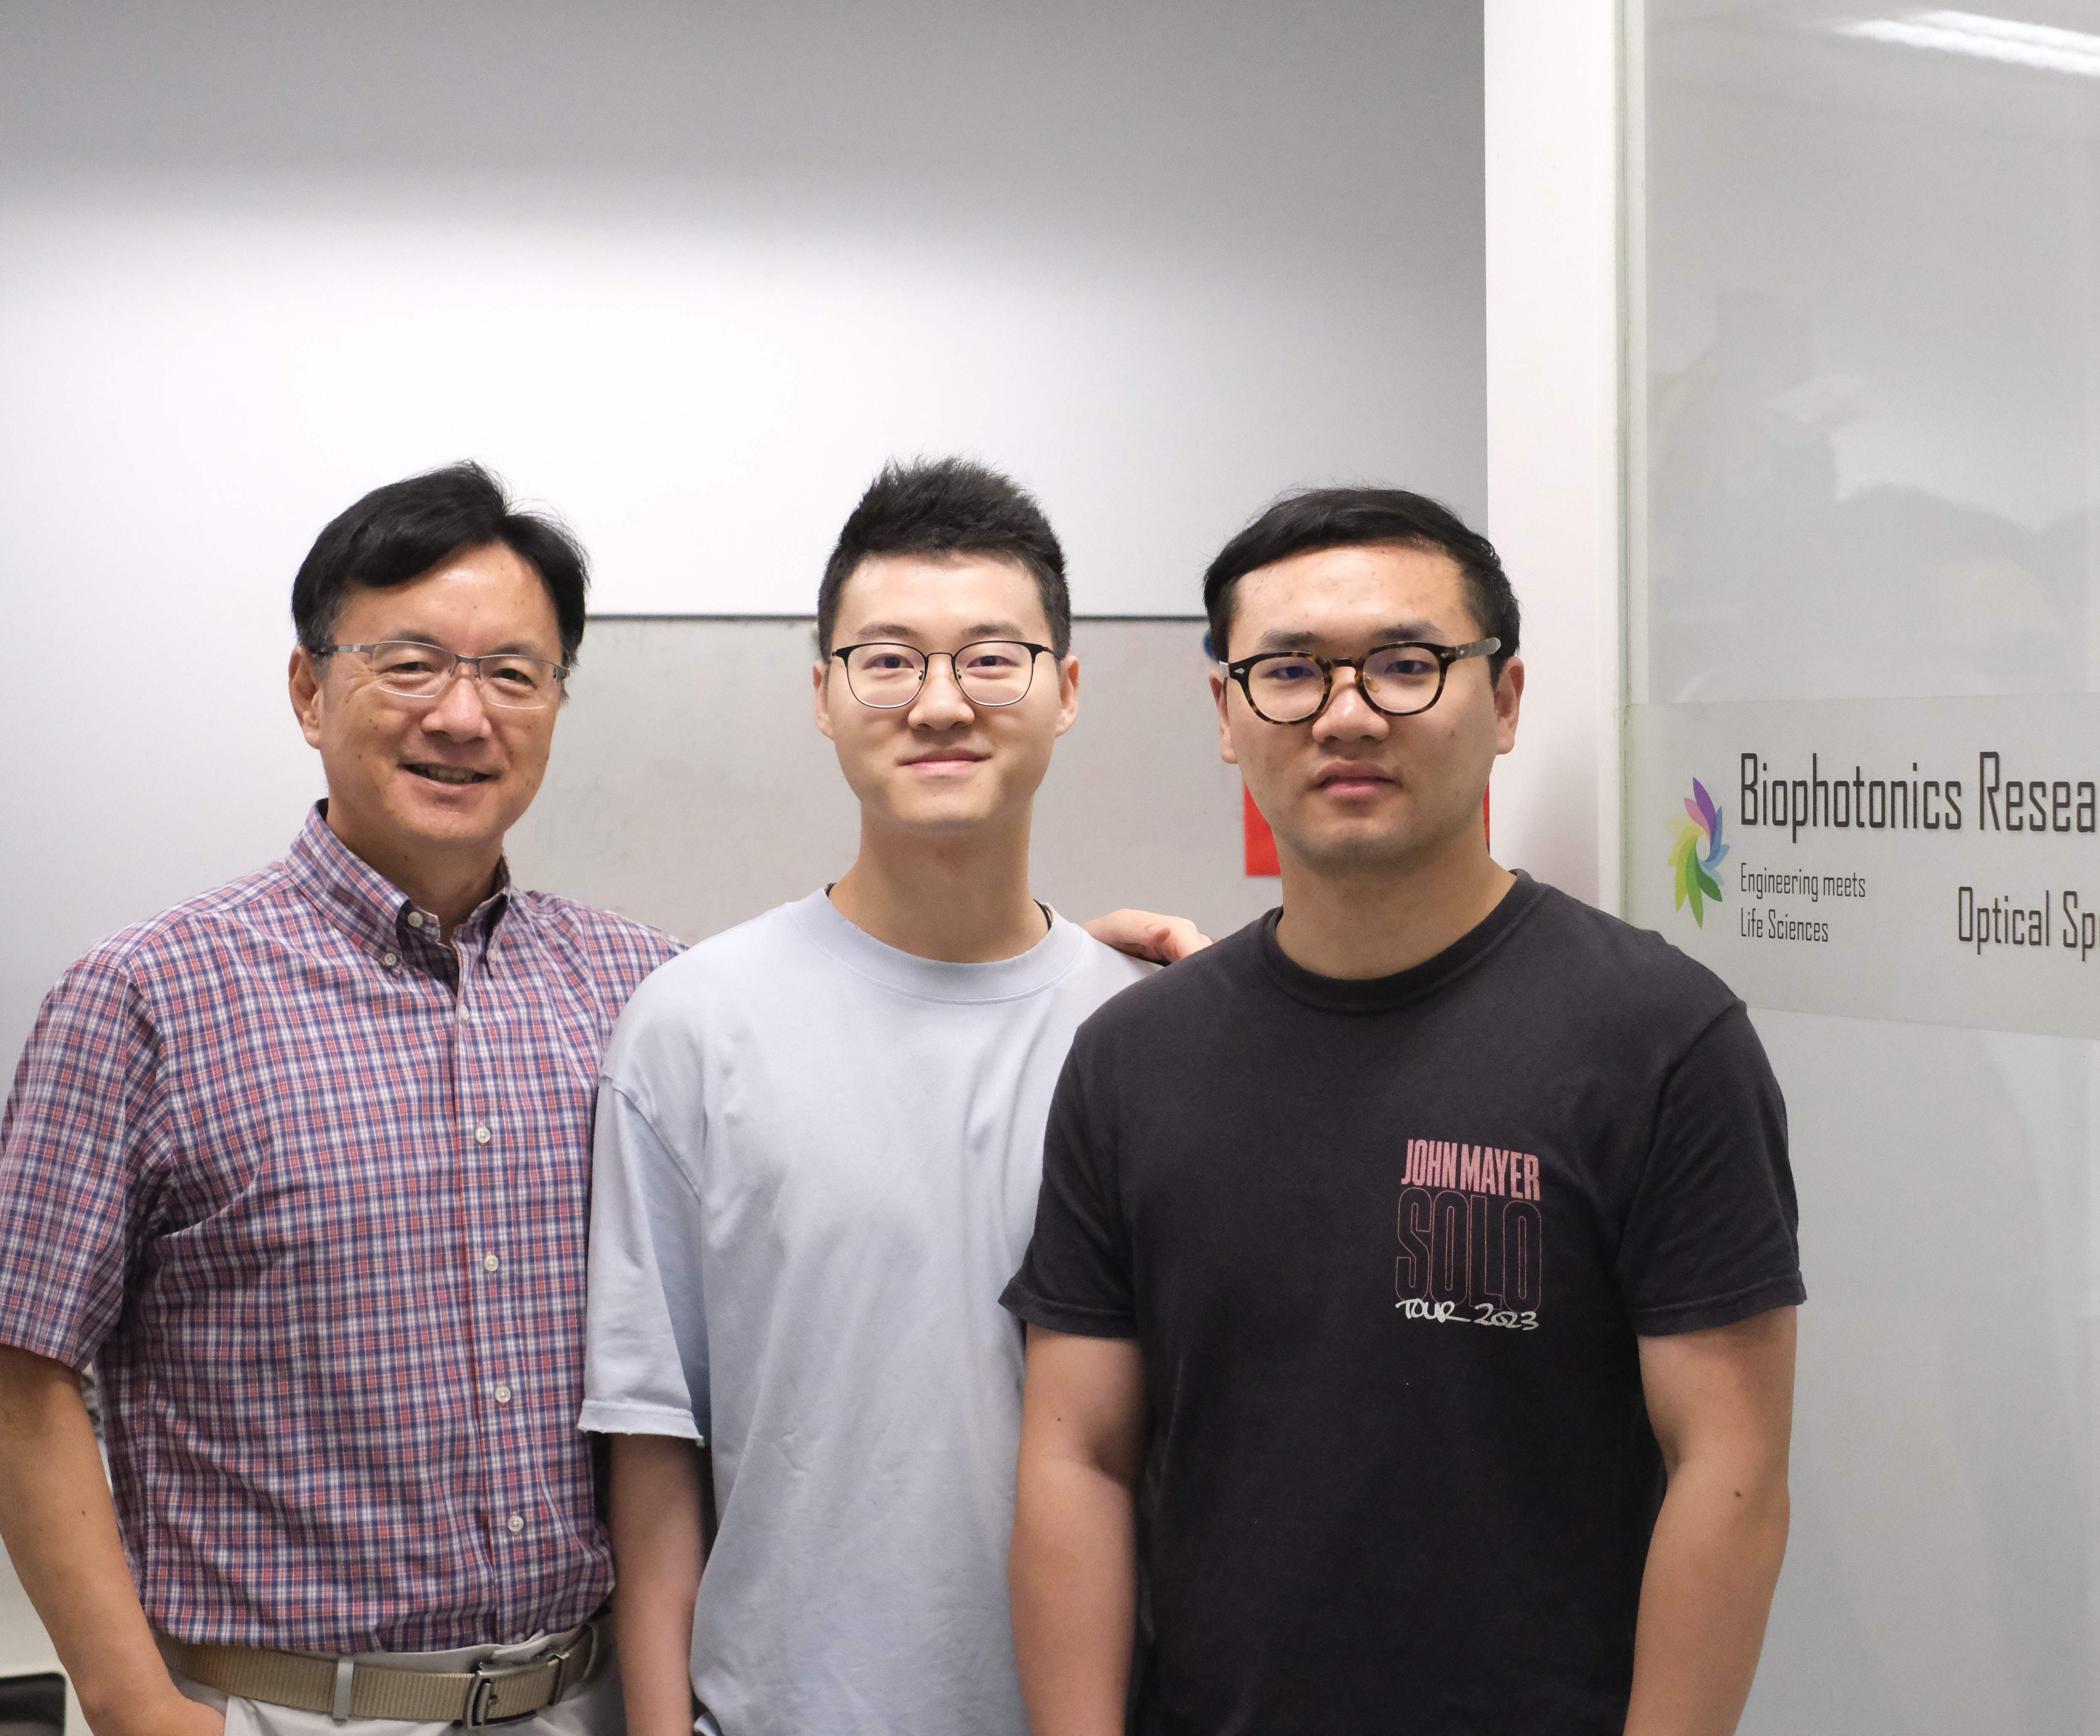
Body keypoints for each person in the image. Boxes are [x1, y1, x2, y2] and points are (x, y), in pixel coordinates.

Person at [0, 462, 1191, 1736]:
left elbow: (879, 1015)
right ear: (308, 687)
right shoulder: (149, 996)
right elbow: (21, 1373)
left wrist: (1141, 983)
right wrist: (133, 1707)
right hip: (280, 1709)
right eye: (410, 665)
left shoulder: (635, 985)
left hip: (586, 1695)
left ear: (557, 702)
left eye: (513, 674)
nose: (464, 716)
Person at [1003, 488, 1805, 1736]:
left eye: (1405, 665)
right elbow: (1078, 1457)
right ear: (1227, 712)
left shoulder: (1656, 1037)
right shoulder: (1132, 1060)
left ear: (1508, 699)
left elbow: (1732, 1466)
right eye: (1288, 672)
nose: (1347, 713)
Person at [583, 458, 1189, 1736]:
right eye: (888, 660)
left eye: (991, 659)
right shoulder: (694, 1026)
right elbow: (653, 1446)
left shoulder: (1152, 1035)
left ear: (1066, 691)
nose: (939, 703)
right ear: (822, 694)